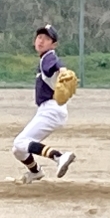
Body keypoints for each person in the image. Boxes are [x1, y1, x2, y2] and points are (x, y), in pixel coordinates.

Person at [12, 24, 76, 184]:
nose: (41, 41)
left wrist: (62, 70)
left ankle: (59, 156)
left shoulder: (48, 57)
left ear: (54, 44)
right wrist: (62, 69)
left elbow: (54, 63)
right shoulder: (45, 58)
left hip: (51, 110)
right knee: (18, 150)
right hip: (50, 110)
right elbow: (56, 64)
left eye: (47, 39)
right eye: (39, 37)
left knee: (20, 142)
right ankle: (35, 172)